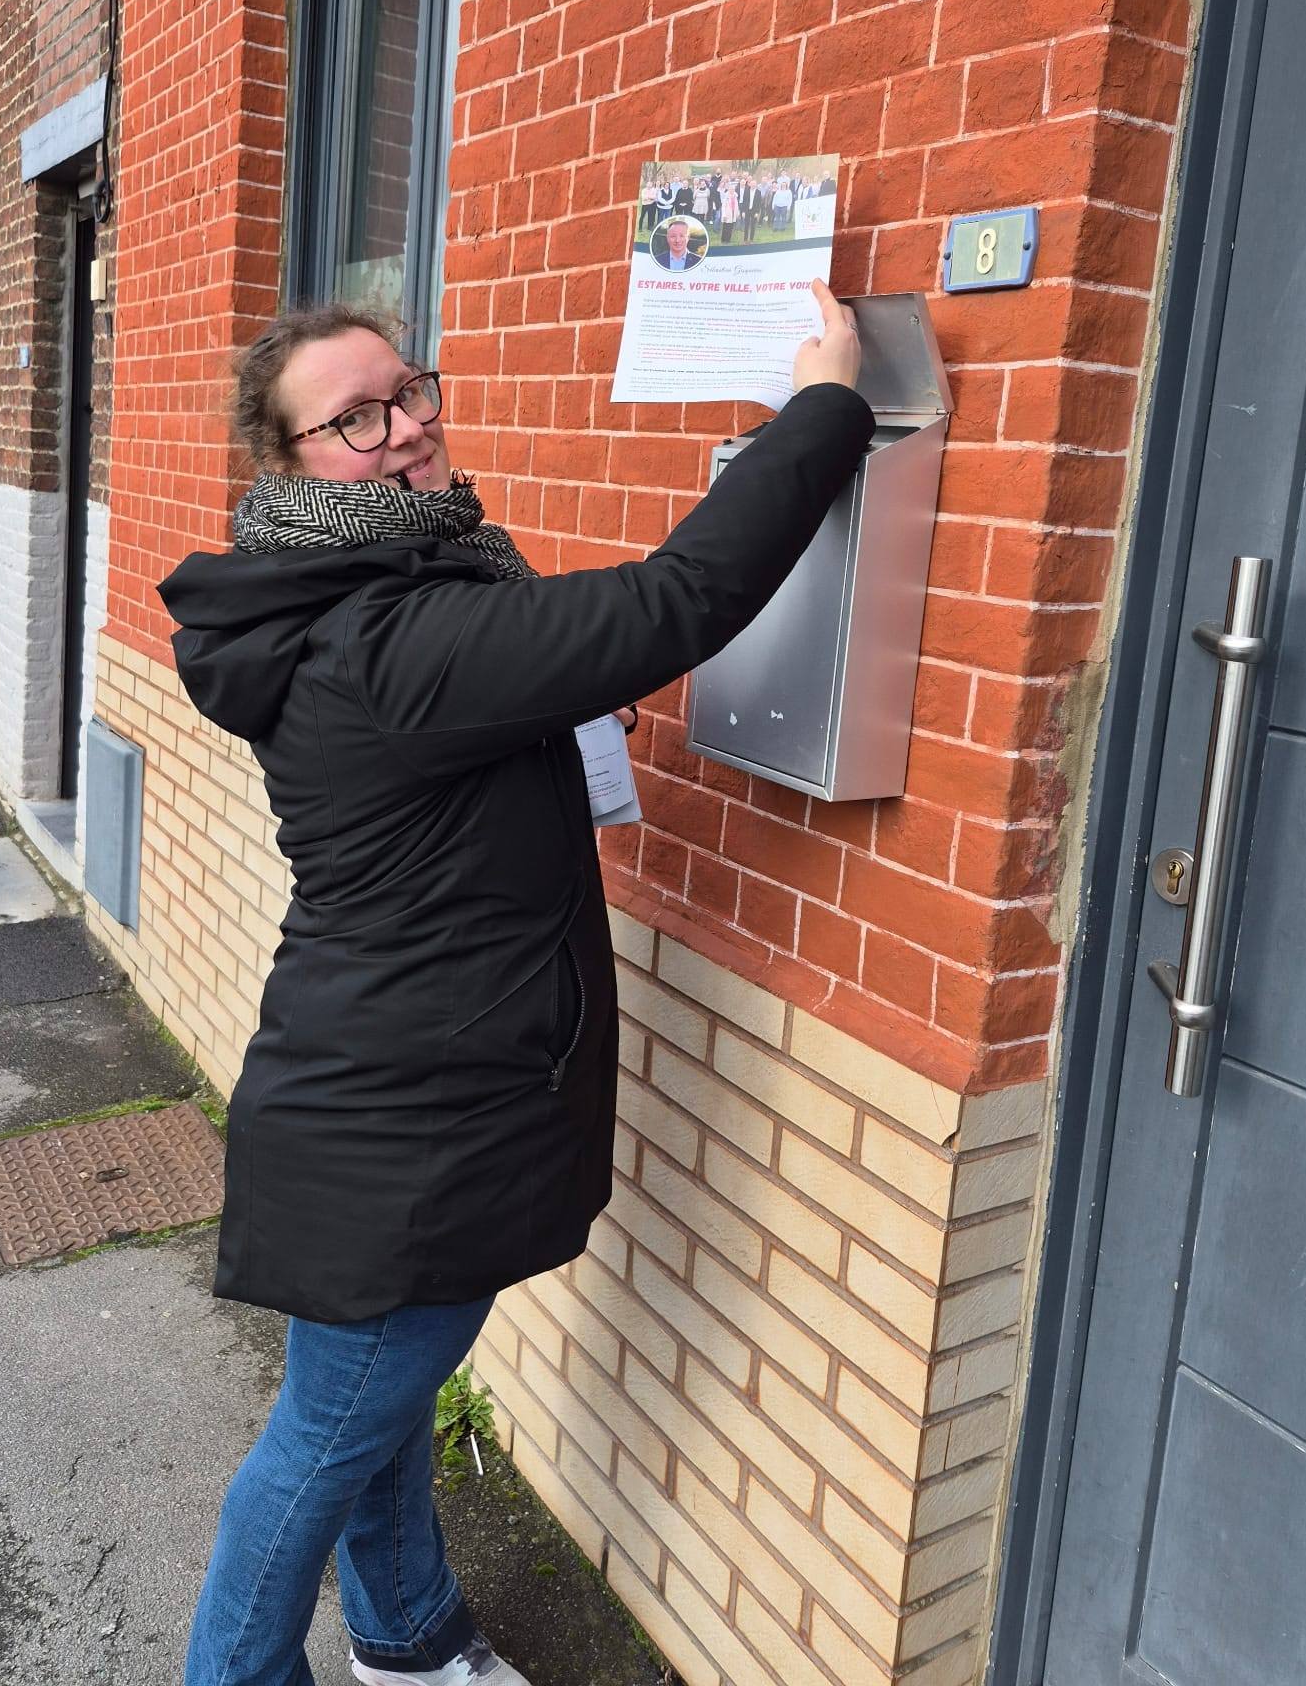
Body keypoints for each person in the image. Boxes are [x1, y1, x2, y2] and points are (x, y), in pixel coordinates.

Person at [158, 283, 870, 1686]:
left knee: (372, 1413)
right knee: (322, 1443)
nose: (406, 426)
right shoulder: (389, 638)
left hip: (375, 1094)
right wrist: (826, 410)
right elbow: (680, 601)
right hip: (407, 1129)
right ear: (290, 461)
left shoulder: (368, 600)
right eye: (354, 417)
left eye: (410, 390)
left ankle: (411, 1640)